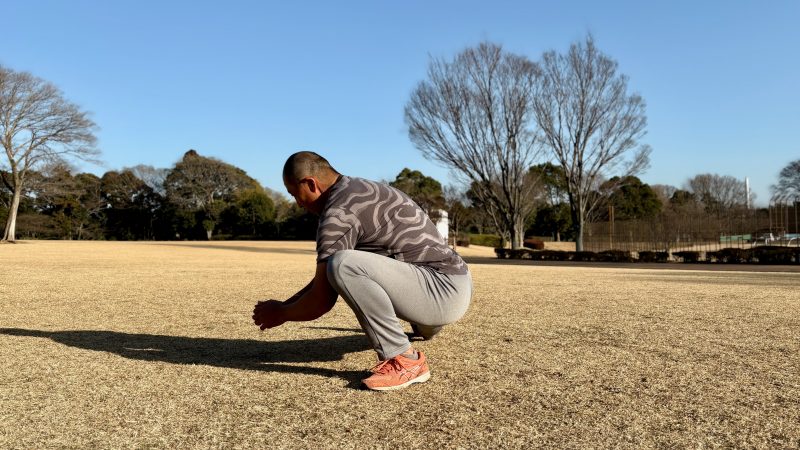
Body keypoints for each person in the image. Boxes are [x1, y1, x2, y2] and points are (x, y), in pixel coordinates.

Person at [252, 151, 472, 391]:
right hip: (454, 281)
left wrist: (282, 313)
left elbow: (321, 299)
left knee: (343, 264)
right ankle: (426, 324)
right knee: (344, 264)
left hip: (442, 292)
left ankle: (404, 360)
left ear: (311, 183)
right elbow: (324, 280)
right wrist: (285, 304)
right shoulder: (359, 188)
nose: (298, 203)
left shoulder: (338, 213)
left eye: (295, 193)